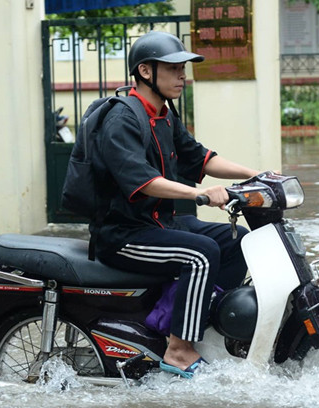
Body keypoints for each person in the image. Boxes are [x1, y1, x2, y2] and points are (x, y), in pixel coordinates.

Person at [92, 31, 259, 378]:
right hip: (124, 234)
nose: (182, 75)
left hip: (159, 224)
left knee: (238, 241)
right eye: (173, 68)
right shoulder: (121, 119)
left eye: (183, 68)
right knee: (199, 254)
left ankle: (196, 324)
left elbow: (199, 158)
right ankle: (179, 350)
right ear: (146, 71)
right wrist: (198, 194)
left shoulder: (165, 114)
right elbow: (142, 181)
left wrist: (255, 174)